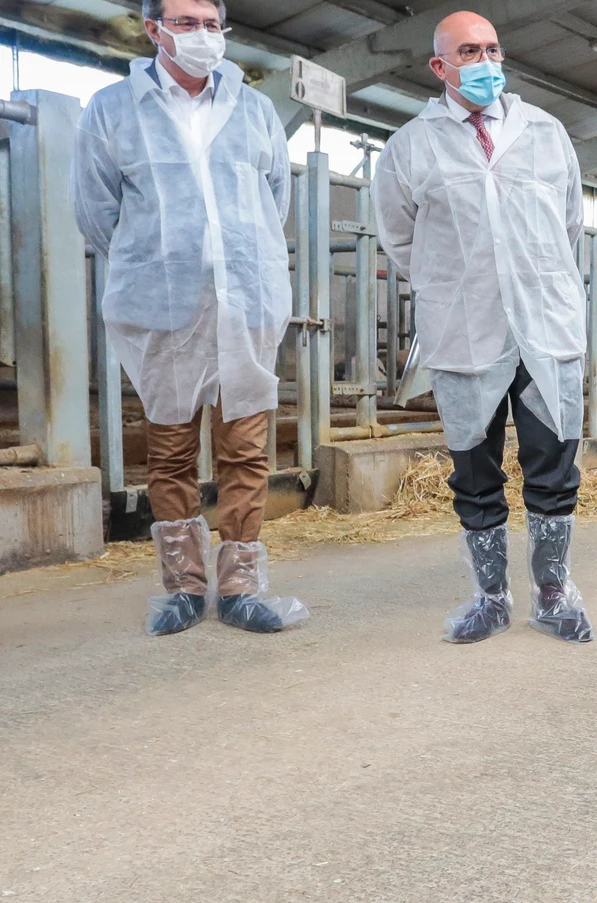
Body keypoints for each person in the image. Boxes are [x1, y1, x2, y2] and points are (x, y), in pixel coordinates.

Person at [74, 0, 307, 636]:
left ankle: (239, 589)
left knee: (246, 449)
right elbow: (97, 211)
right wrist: (157, 262)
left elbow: (273, 201)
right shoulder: (112, 110)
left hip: (245, 302)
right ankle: (182, 587)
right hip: (162, 307)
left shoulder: (255, 110)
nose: (203, 35)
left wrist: (240, 261)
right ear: (153, 30)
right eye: (186, 23)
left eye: (211, 24)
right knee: (170, 452)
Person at [373, 10, 594, 645]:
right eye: (469, 52)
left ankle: (553, 592)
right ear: (440, 67)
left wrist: (525, 279)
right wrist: (462, 284)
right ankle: (490, 596)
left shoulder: (547, 133)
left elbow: (569, 224)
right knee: (474, 468)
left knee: (553, 464)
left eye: (492, 49)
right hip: (465, 327)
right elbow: (399, 235)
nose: (485, 62)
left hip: (545, 325)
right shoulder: (411, 145)